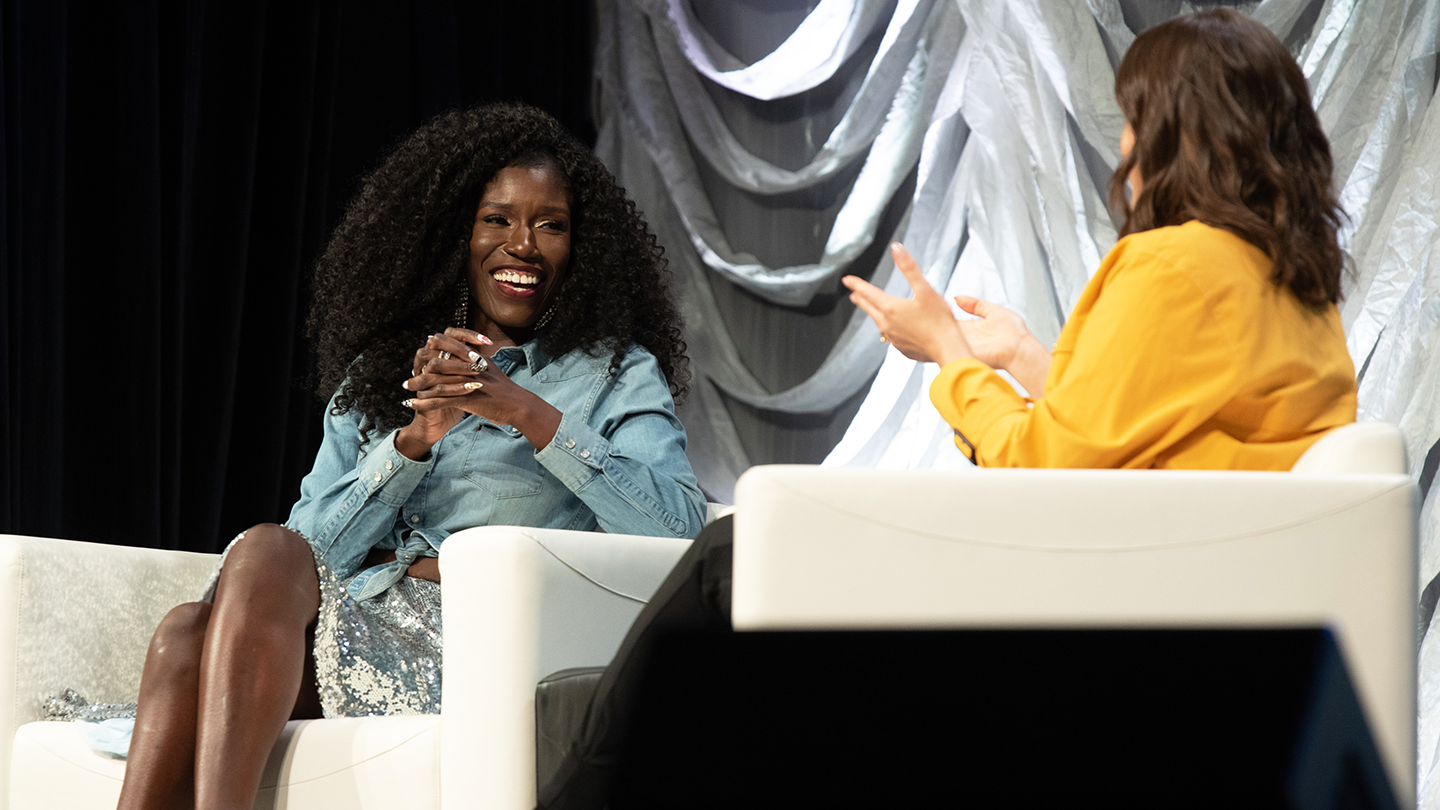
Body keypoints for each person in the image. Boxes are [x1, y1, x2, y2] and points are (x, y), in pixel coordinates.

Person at [537, 9, 1358, 809]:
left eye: (1136, 119)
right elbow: (1164, 431)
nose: (1124, 144)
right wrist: (1023, 357)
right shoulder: (1291, 285)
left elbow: (1050, 470)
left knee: (735, 552)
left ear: (1178, 130)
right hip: (1189, 588)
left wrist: (952, 358)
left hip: (1105, 595)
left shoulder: (1169, 263)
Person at [116, 102, 707, 810]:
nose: (522, 243)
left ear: (579, 250)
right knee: (198, 620)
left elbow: (679, 533)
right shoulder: (385, 372)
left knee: (206, 616)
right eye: (497, 219)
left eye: (550, 224)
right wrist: (413, 442)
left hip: (477, 651)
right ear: (456, 234)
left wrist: (529, 414)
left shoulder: (614, 371)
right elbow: (309, 558)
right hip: (357, 628)